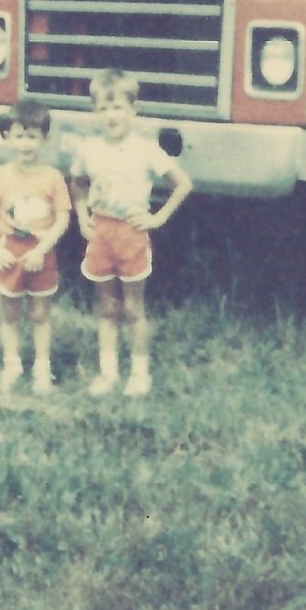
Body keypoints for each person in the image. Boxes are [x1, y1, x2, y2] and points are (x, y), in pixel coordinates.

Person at [64, 68, 192, 397]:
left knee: (134, 309)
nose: (111, 115)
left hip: (132, 234)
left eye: (118, 107)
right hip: (101, 232)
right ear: (95, 112)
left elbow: (183, 184)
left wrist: (158, 218)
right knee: (107, 308)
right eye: (104, 109)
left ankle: (139, 372)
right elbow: (77, 184)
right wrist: (81, 216)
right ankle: (108, 374)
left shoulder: (145, 149)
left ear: (133, 109)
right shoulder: (89, 150)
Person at [0, 99, 72, 394]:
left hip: (40, 255)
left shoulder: (53, 177)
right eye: (19, 136)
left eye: (32, 136)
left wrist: (42, 250)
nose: (25, 144)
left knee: (40, 313)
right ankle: (12, 364)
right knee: (10, 313)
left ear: (44, 138)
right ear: (7, 137)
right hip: (9, 252)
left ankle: (43, 368)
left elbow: (63, 217)